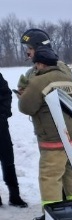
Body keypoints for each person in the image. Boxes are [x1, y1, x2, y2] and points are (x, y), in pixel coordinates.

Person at [17, 45, 72, 220]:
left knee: (50, 176)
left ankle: (52, 216)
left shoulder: (38, 82)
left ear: (40, 64)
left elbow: (26, 107)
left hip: (54, 138)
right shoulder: (67, 77)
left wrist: (23, 93)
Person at [0, 72, 28, 207]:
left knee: (8, 162)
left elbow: (6, 94)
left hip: (1, 127)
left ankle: (14, 195)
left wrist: (3, 113)